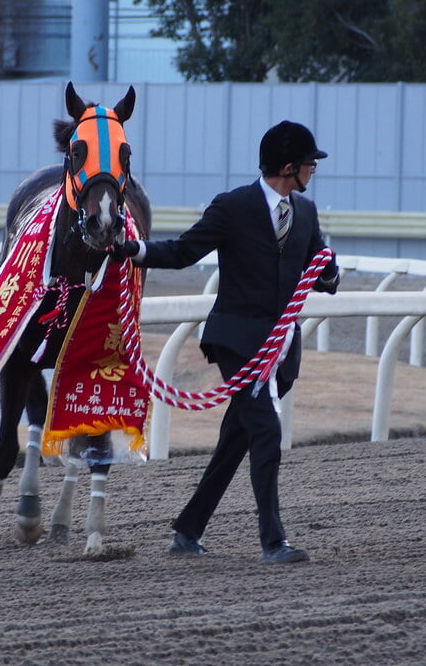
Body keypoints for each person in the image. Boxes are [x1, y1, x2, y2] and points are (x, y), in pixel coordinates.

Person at [111, 120, 340, 563]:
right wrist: (133, 250)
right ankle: (273, 541)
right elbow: (182, 251)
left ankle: (187, 529)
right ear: (289, 167)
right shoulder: (233, 206)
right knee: (268, 431)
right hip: (238, 342)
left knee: (237, 439)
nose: (314, 170)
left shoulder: (306, 213)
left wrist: (330, 275)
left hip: (280, 349)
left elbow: (322, 268)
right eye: (310, 163)